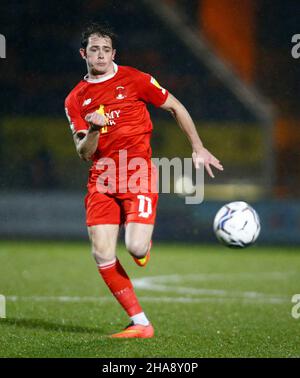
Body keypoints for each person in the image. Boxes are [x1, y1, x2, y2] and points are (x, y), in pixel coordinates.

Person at [64, 22, 223, 338]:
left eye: (106, 49)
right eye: (94, 49)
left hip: (137, 172)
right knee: (102, 253)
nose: (100, 55)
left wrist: (198, 147)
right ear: (83, 53)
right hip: (102, 179)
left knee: (135, 247)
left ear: (113, 53)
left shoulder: (135, 79)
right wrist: (95, 129)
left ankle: (141, 245)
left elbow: (175, 106)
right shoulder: (75, 99)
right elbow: (83, 152)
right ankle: (140, 323)